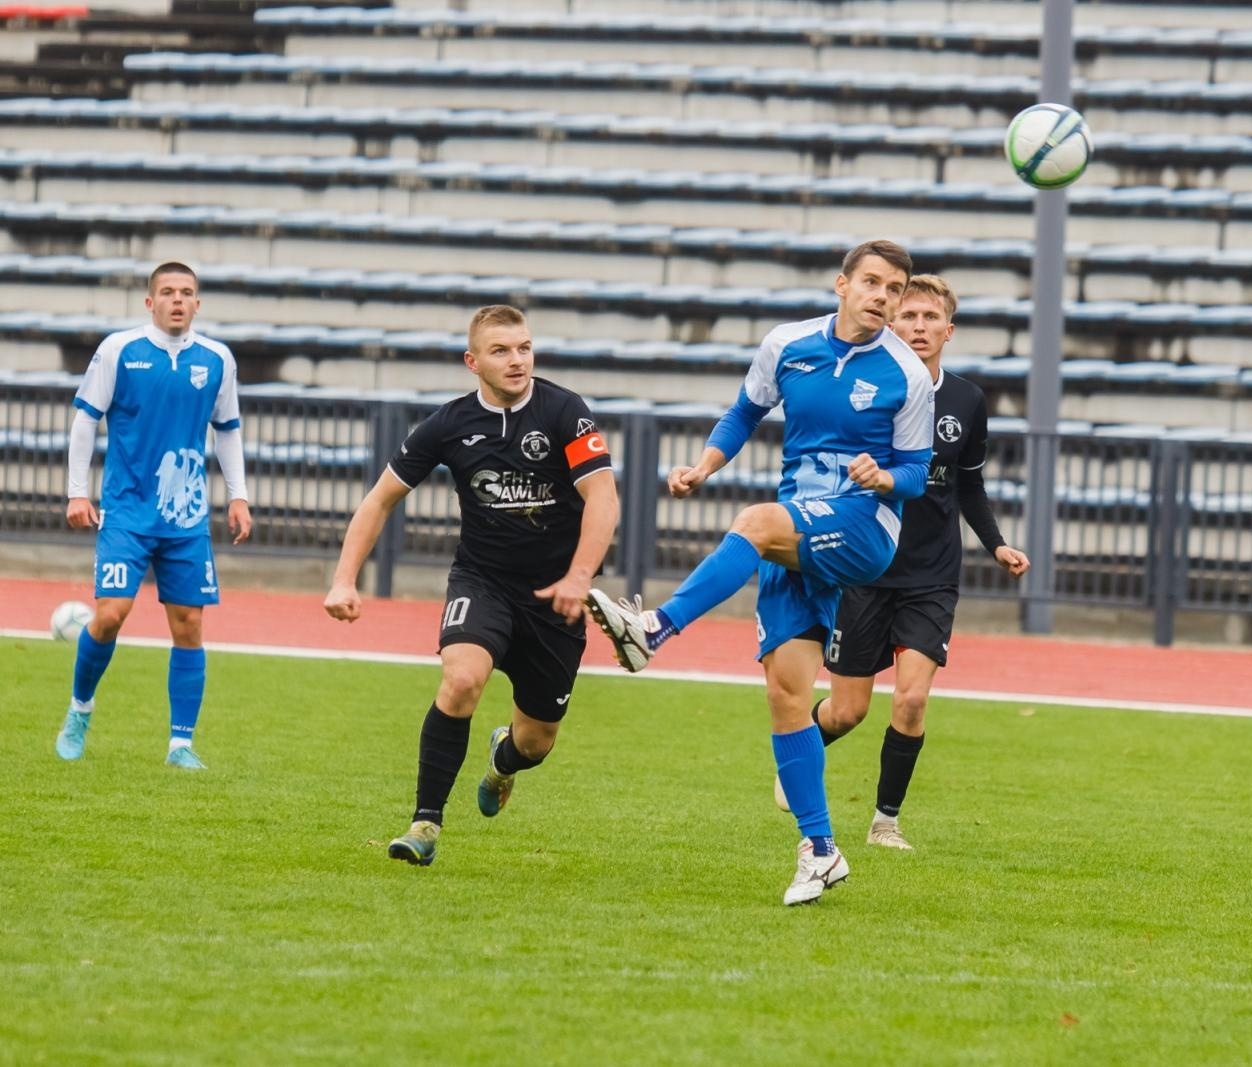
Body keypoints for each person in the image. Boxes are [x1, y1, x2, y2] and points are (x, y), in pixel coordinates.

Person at [585, 239, 934, 905]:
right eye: (873, 282)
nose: (884, 297)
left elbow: (917, 474)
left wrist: (883, 473)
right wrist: (705, 465)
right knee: (785, 693)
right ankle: (821, 849)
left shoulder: (907, 376)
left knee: (753, 522)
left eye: (895, 288)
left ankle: (654, 629)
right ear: (842, 283)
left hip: (863, 529)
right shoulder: (788, 343)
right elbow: (746, 410)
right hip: (799, 528)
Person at [323, 304, 619, 868]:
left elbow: (602, 497)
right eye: (502, 351)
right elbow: (379, 499)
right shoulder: (448, 424)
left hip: (557, 598)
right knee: (461, 681)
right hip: (483, 581)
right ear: (472, 361)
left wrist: (579, 577)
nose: (517, 361)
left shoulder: (565, 412)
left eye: (524, 348)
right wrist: (343, 580)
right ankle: (425, 823)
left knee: (536, 743)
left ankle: (502, 761)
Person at [777, 275, 1030, 850]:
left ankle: (884, 822)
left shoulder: (967, 401)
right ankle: (798, 749)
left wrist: (996, 545)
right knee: (846, 712)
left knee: (912, 699)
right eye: (908, 316)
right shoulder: (873, 385)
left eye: (929, 318)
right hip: (866, 568)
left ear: (949, 330)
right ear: (892, 322)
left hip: (931, 575)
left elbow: (970, 487)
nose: (918, 326)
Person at [55, 261, 253, 769]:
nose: (178, 300)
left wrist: (239, 495)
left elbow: (227, 429)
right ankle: (80, 710)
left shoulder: (217, 359)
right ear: (150, 302)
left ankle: (180, 745)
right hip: (126, 510)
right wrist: (78, 492)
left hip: (185, 517)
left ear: (197, 303)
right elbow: (85, 422)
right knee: (110, 615)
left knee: (188, 624)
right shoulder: (119, 350)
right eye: (167, 292)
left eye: (187, 292)